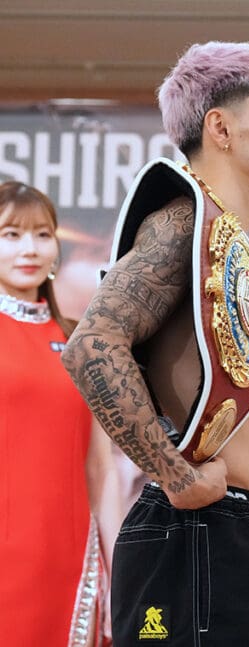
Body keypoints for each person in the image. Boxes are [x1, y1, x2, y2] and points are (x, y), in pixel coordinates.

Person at [61, 41, 249, 646]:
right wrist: (175, 476)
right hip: (197, 528)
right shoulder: (180, 223)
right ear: (221, 128)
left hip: (224, 536)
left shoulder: (219, 238)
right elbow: (91, 344)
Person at [0, 181, 121, 646]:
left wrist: (116, 571)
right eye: (11, 234)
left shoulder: (79, 343)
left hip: (69, 562)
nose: (29, 248)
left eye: (42, 234)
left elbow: (101, 469)